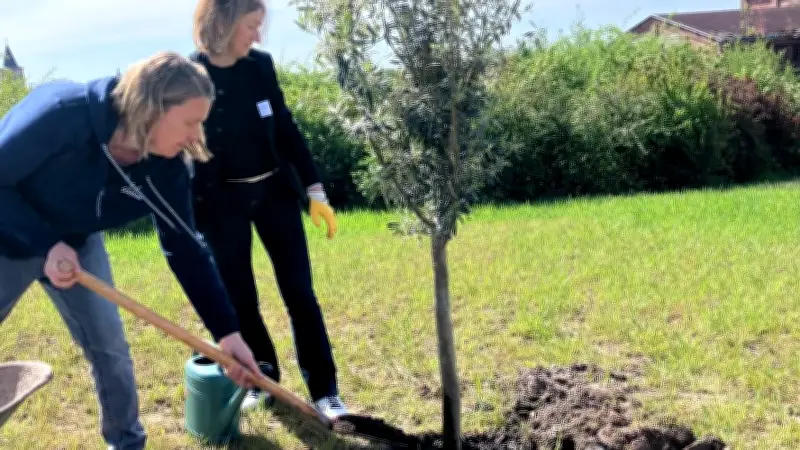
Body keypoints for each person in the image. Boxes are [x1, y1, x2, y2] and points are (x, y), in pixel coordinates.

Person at [0, 51, 262, 450]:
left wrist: (227, 334)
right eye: (189, 122)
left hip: (77, 243)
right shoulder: (62, 114)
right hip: (7, 231)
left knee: (109, 347)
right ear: (151, 108)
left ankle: (126, 442)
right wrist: (45, 244)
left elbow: (186, 250)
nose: (196, 135)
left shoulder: (167, 168)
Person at [188, 0, 348, 417]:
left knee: (300, 292)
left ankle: (326, 392)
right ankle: (261, 380)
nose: (258, 36)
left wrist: (315, 188)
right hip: (221, 203)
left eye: (260, 26)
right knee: (240, 298)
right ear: (224, 23)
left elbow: (286, 128)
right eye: (251, 26)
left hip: (275, 193)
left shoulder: (260, 66)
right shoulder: (191, 74)